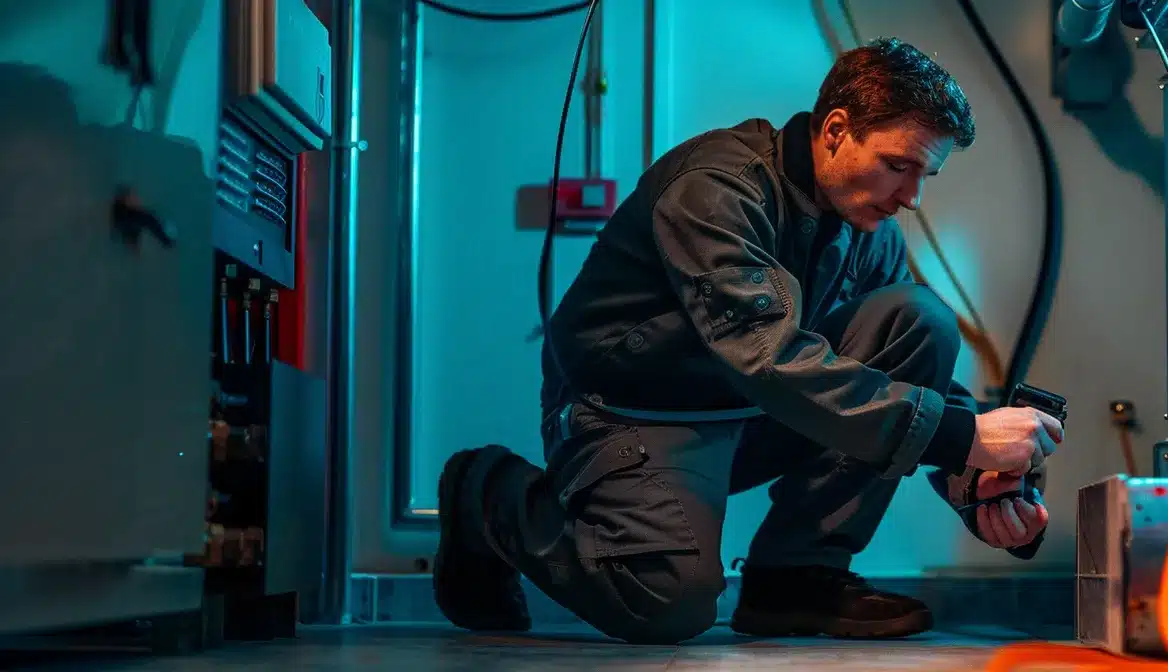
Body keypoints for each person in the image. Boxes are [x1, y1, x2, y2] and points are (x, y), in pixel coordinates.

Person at [430, 38, 1063, 646]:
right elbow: (766, 355)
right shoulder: (715, 187)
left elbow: (907, 378)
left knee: (919, 318)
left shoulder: (869, 229)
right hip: (633, 411)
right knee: (664, 601)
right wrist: (963, 437)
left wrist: (971, 479)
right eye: (898, 166)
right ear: (837, 130)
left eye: (925, 175)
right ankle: (486, 491)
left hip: (754, 406)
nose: (911, 197)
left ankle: (796, 579)